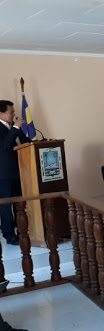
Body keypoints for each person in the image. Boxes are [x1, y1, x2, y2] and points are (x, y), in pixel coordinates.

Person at [0, 100, 31, 246]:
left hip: (20, 172)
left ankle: (22, 231)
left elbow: (26, 143)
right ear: (1, 113)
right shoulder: (10, 128)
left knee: (19, 205)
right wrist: (15, 128)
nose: (13, 114)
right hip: (4, 175)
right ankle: (9, 235)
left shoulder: (14, 127)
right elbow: (5, 146)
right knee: (6, 206)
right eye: (10, 112)